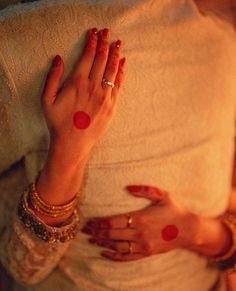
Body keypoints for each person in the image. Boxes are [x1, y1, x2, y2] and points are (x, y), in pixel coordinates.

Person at [0, 0, 236, 290]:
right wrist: (68, 152)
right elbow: (21, 268)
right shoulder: (20, 44)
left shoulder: (224, 47)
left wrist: (200, 233)